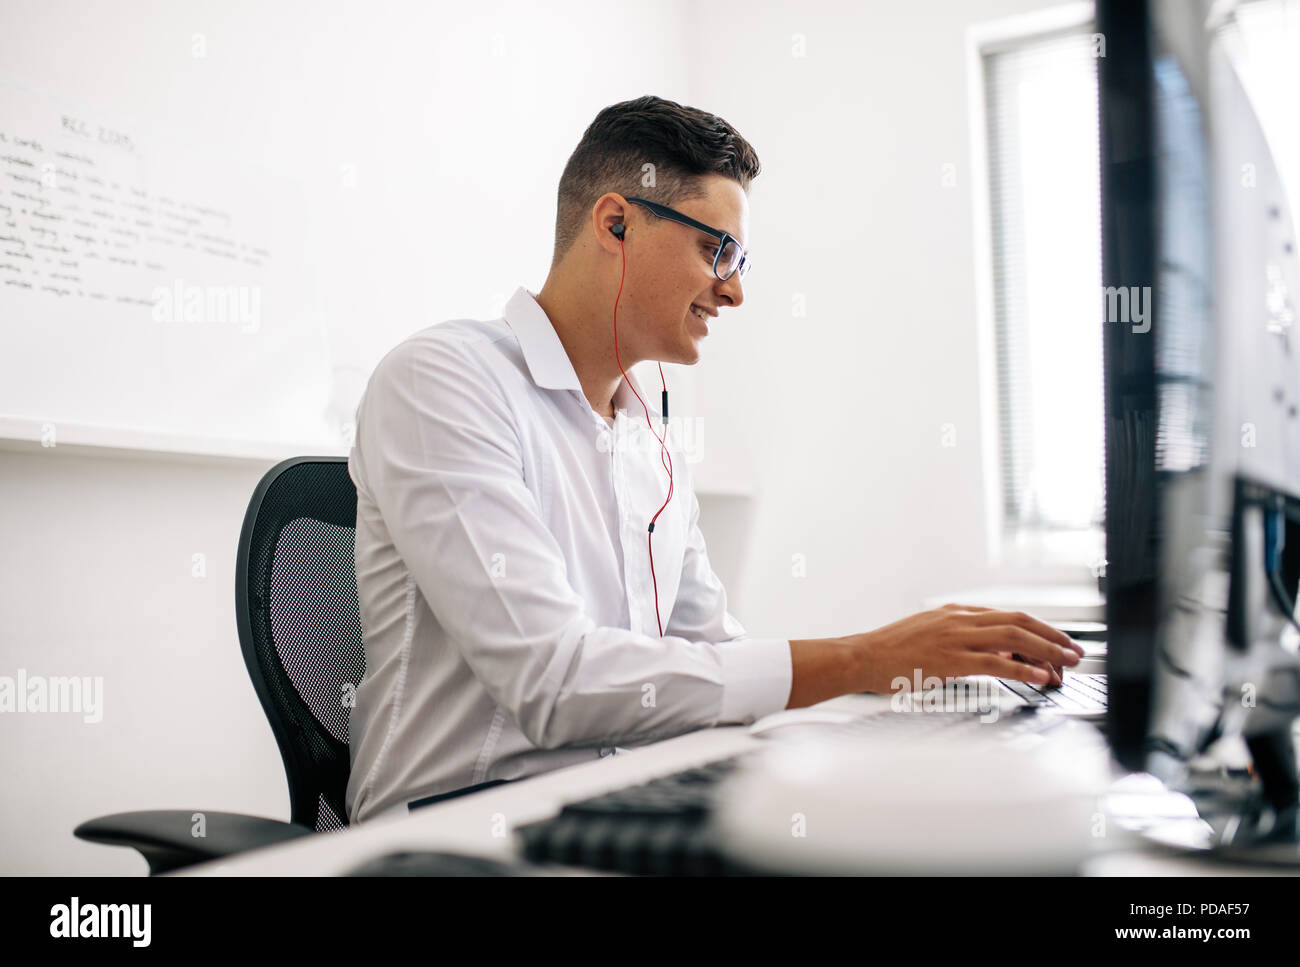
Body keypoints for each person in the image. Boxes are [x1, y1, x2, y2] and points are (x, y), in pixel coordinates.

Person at [343, 95, 1081, 824]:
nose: (732, 289)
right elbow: (553, 680)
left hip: (619, 799)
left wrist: (899, 692)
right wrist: (866, 657)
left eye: (741, 259)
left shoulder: (649, 436)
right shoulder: (442, 380)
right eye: (715, 249)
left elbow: (717, 659)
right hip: (456, 826)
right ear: (616, 222)